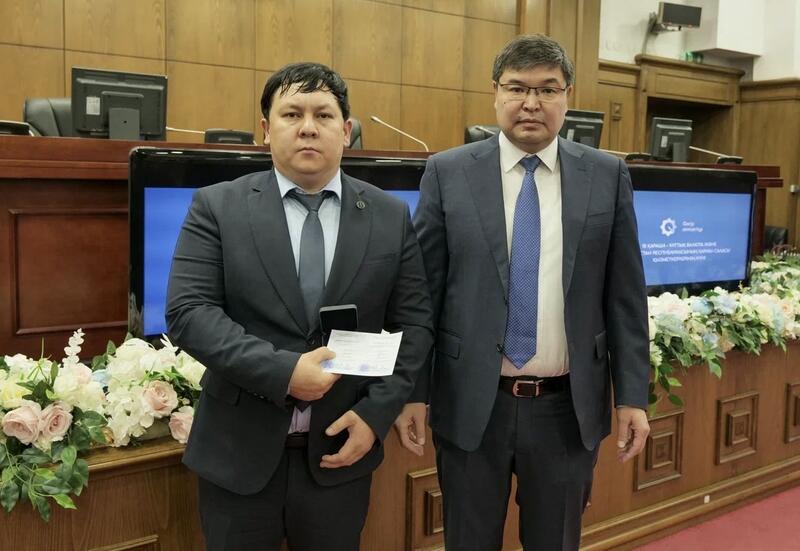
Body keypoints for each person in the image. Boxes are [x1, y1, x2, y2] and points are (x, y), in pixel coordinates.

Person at [394, 34, 651, 551]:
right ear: (495, 92)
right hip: (472, 404)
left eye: (547, 89)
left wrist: (632, 397)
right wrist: (413, 391)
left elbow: (625, 297)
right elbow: (422, 294)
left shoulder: (606, 175)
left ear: (567, 96)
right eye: (517, 88)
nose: (531, 103)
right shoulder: (448, 172)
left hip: (565, 409)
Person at [166, 62, 434, 551]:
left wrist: (376, 415)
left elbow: (414, 326)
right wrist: (285, 372)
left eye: (323, 115)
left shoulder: (390, 215)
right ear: (266, 130)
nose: (308, 127)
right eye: (292, 114)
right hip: (238, 454)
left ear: (346, 132)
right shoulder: (217, 207)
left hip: (341, 450)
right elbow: (190, 313)